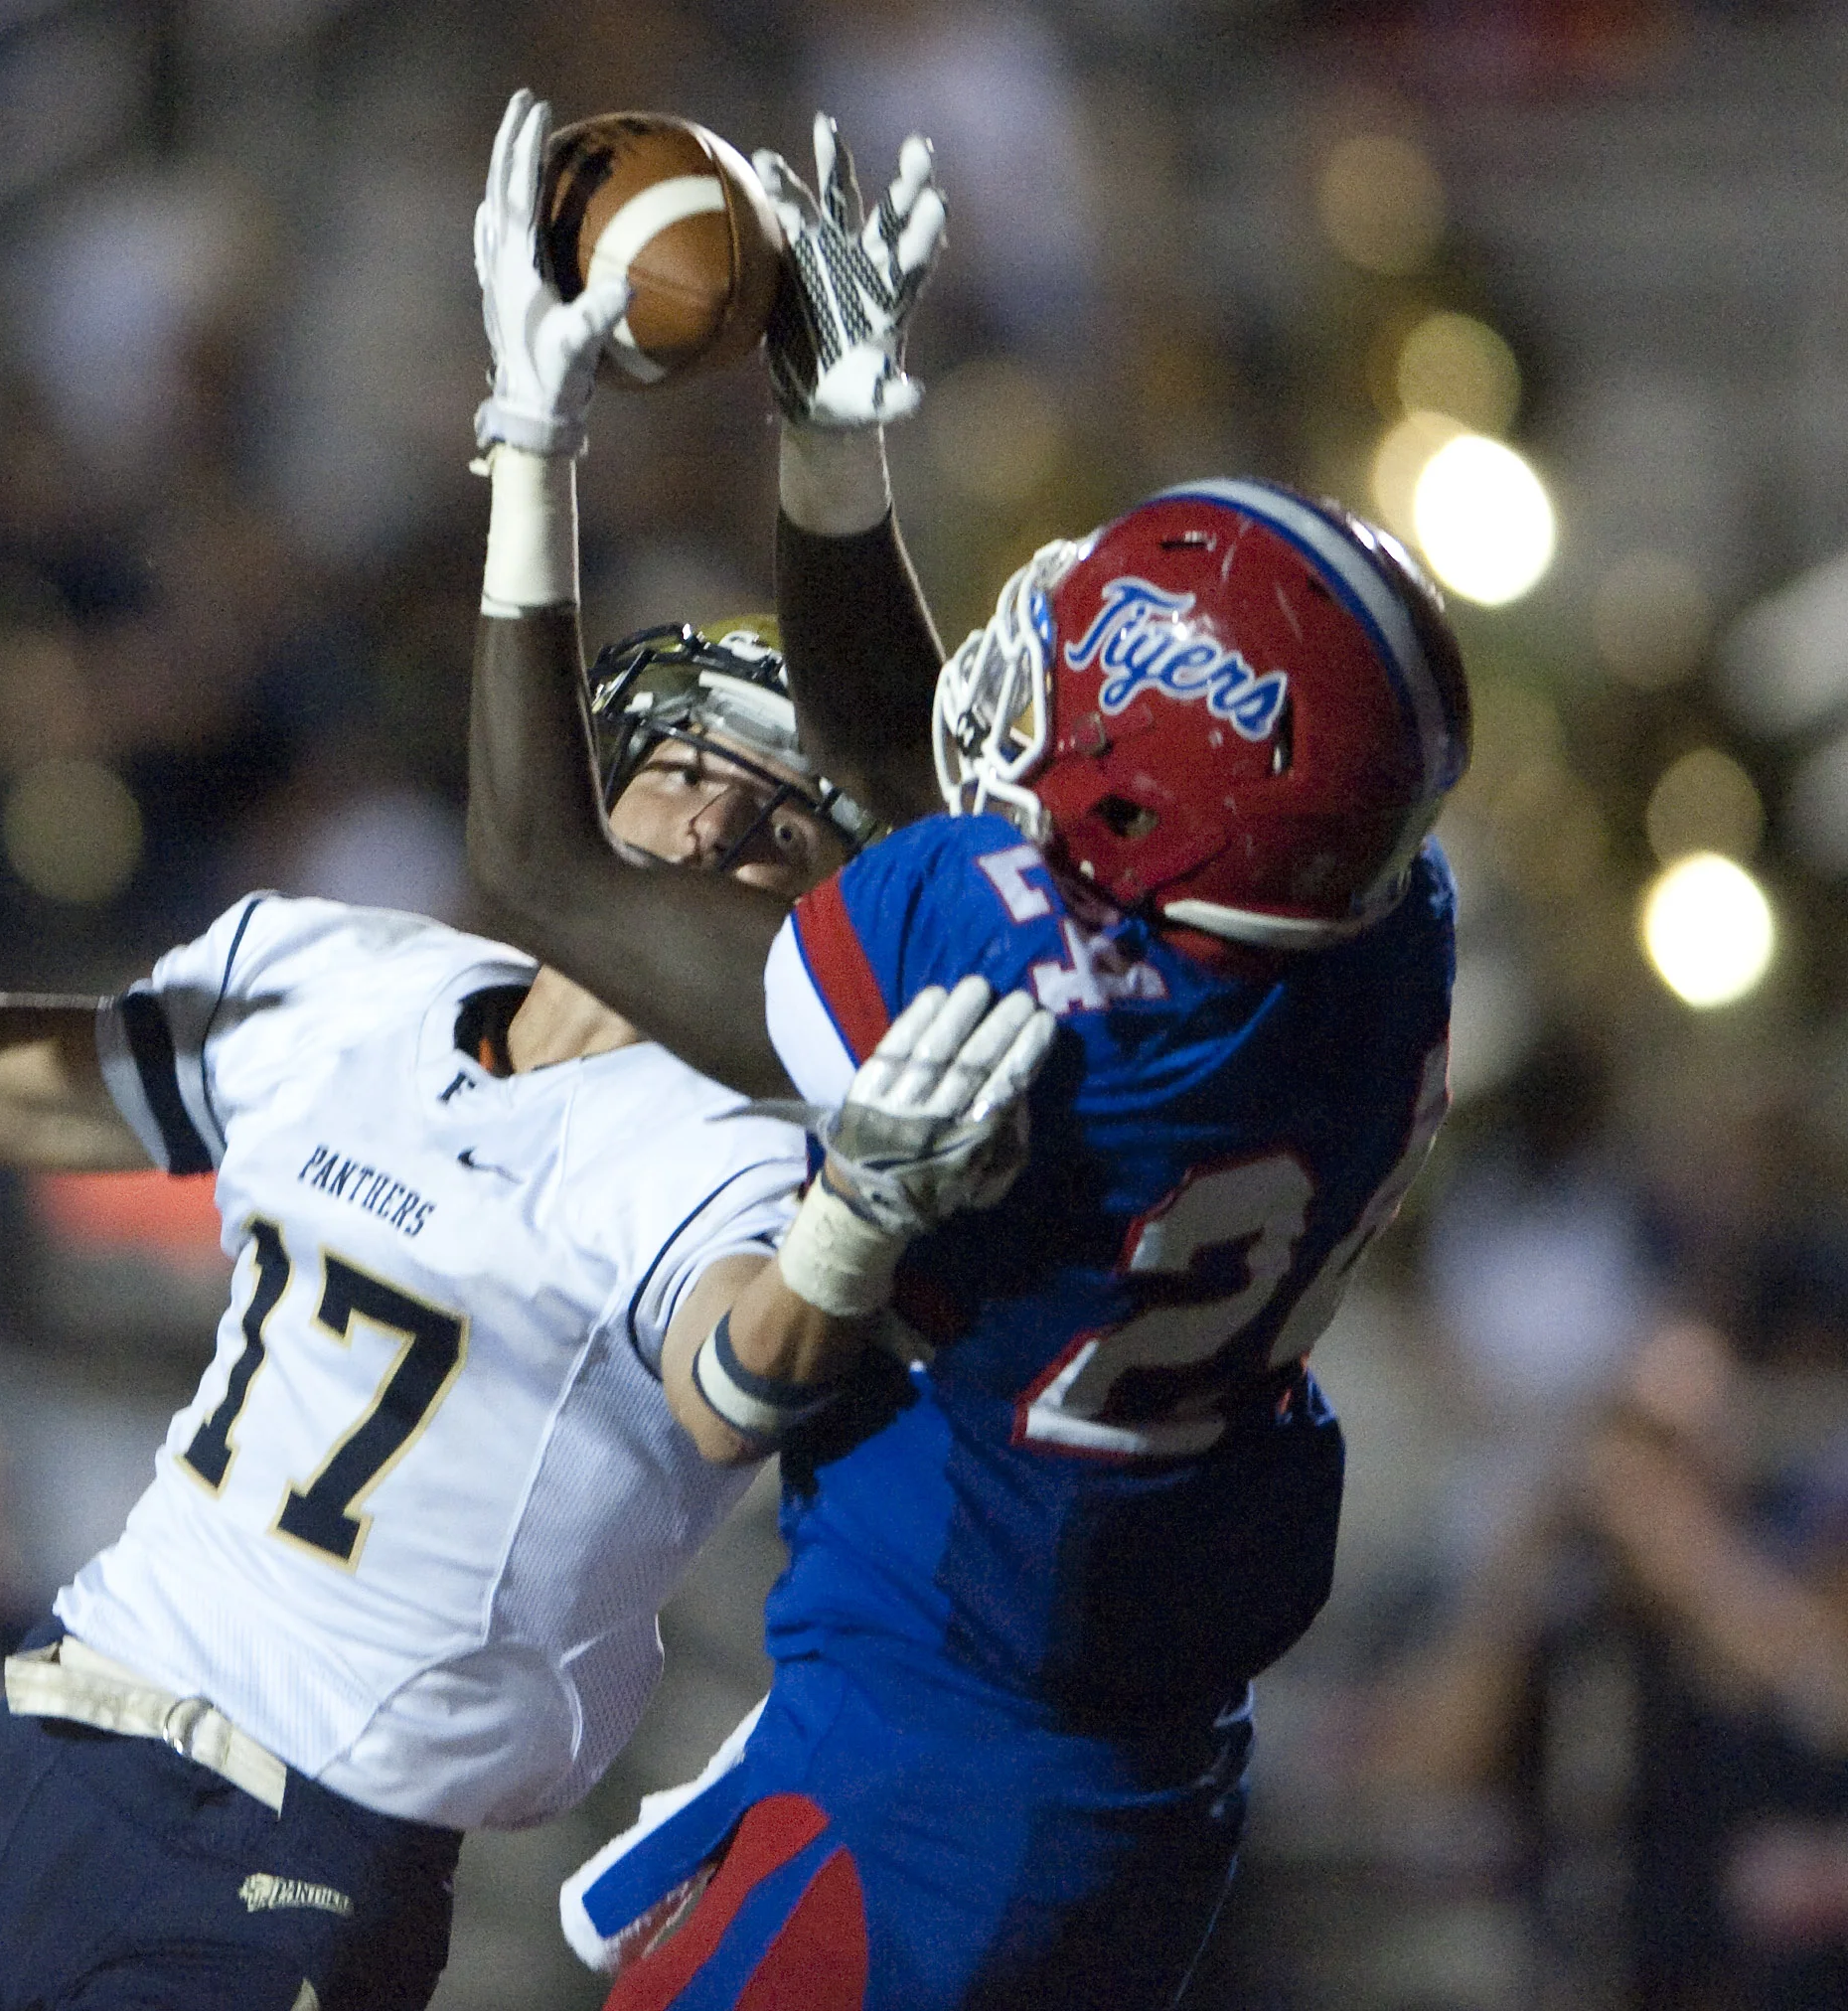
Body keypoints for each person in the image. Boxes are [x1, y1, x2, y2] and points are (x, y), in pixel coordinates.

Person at [464, 88, 1471, 2010]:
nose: (1045, 686)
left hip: (939, 1775)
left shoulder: (1025, 1005)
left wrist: (534, 435)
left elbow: (546, 862)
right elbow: (937, 781)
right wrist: (831, 442)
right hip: (1130, 1754)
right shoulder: (1374, 949)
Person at [0, 623, 1044, 1996]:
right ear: (598, 775)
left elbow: (741, 1382)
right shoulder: (349, 981)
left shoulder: (739, 1155)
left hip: (288, 1849)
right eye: (686, 768)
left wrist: (858, 1214)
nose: (710, 827)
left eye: (780, 826)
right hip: (39, 1740)